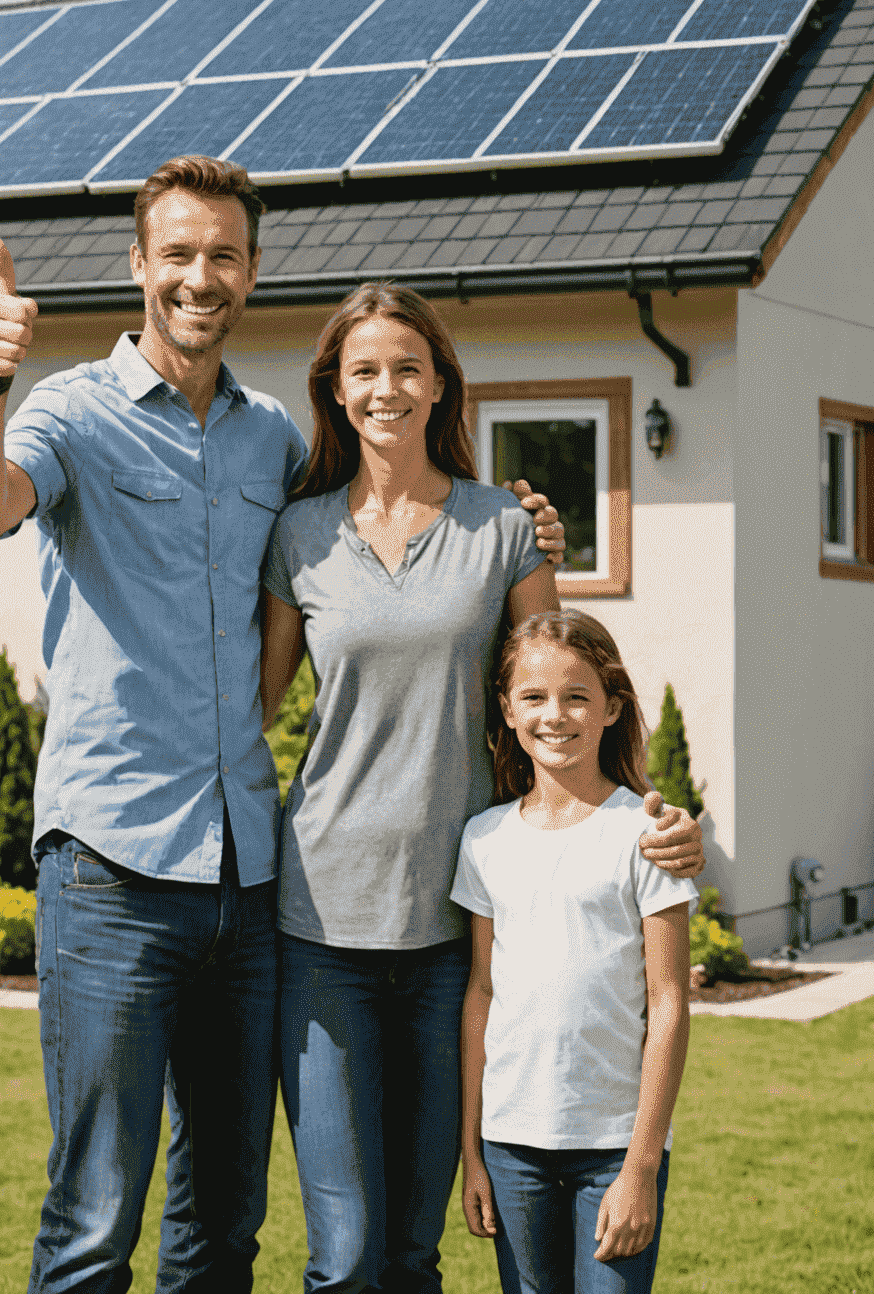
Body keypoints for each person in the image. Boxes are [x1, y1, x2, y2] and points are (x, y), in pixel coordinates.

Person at [0, 156, 565, 1293]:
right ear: (139, 266)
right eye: (177, 254)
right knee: (92, 1223)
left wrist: (515, 524)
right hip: (113, 871)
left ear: (252, 274)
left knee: (223, 1224)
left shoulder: (270, 437)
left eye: (223, 255)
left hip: (247, 884)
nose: (200, 277)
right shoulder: (68, 411)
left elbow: (377, 536)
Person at [259, 285, 704, 1294]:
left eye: (408, 366)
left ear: (441, 384)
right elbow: (251, 709)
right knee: (344, 1255)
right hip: (321, 922)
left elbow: (553, 687)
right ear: (334, 388)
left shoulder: (503, 524)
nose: (387, 388)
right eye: (363, 368)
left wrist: (648, 818)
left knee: (417, 1252)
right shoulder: (299, 536)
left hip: (453, 939)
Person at [455, 609, 695, 1294]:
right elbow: (481, 993)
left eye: (577, 696)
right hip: (512, 1146)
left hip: (613, 1148)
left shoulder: (645, 832)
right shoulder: (484, 839)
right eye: (533, 697)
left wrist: (641, 1167)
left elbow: (669, 1005)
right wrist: (472, 1151)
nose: (554, 715)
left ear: (611, 707)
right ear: (506, 710)